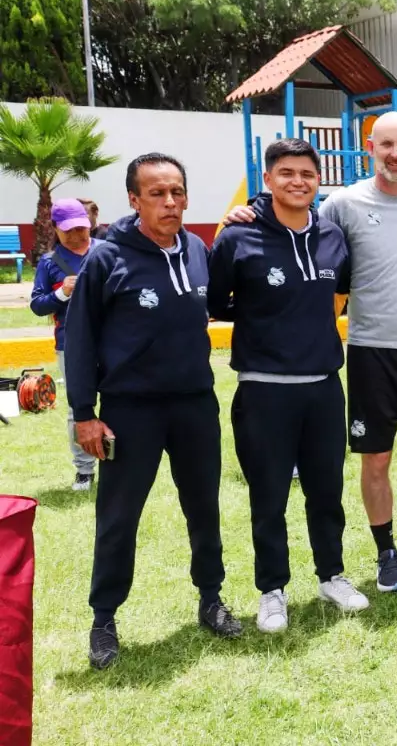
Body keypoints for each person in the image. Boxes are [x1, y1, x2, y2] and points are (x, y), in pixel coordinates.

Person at [224, 112, 397, 592]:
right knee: (376, 459)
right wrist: (253, 210)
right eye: (387, 144)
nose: (396, 154)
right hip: (370, 350)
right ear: (370, 146)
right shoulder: (343, 203)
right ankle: (387, 552)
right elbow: (294, 224)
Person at [66, 153, 242, 670]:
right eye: (158, 193)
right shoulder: (106, 258)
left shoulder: (196, 249)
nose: (170, 202)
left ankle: (210, 598)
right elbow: (80, 341)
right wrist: (84, 413)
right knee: (118, 517)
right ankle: (104, 619)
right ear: (134, 199)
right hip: (128, 411)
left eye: (178, 192)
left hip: (193, 404)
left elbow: (228, 298)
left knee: (203, 508)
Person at [207, 138, 367, 634]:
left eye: (307, 173)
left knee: (327, 490)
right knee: (269, 496)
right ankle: (272, 589)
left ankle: (331, 575)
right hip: (263, 389)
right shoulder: (238, 238)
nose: (298, 181)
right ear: (269, 180)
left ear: (318, 180)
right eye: (287, 173)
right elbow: (216, 302)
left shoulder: (333, 237)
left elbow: (339, 290)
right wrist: (261, 316)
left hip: (322, 384)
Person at [29, 199, 100, 491]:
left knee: (120, 402)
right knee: (78, 409)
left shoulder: (105, 251)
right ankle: (85, 470)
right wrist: (62, 293)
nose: (77, 235)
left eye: (82, 228)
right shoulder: (50, 262)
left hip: (113, 342)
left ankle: (119, 462)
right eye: (69, 230)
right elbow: (37, 305)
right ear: (56, 229)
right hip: (71, 345)